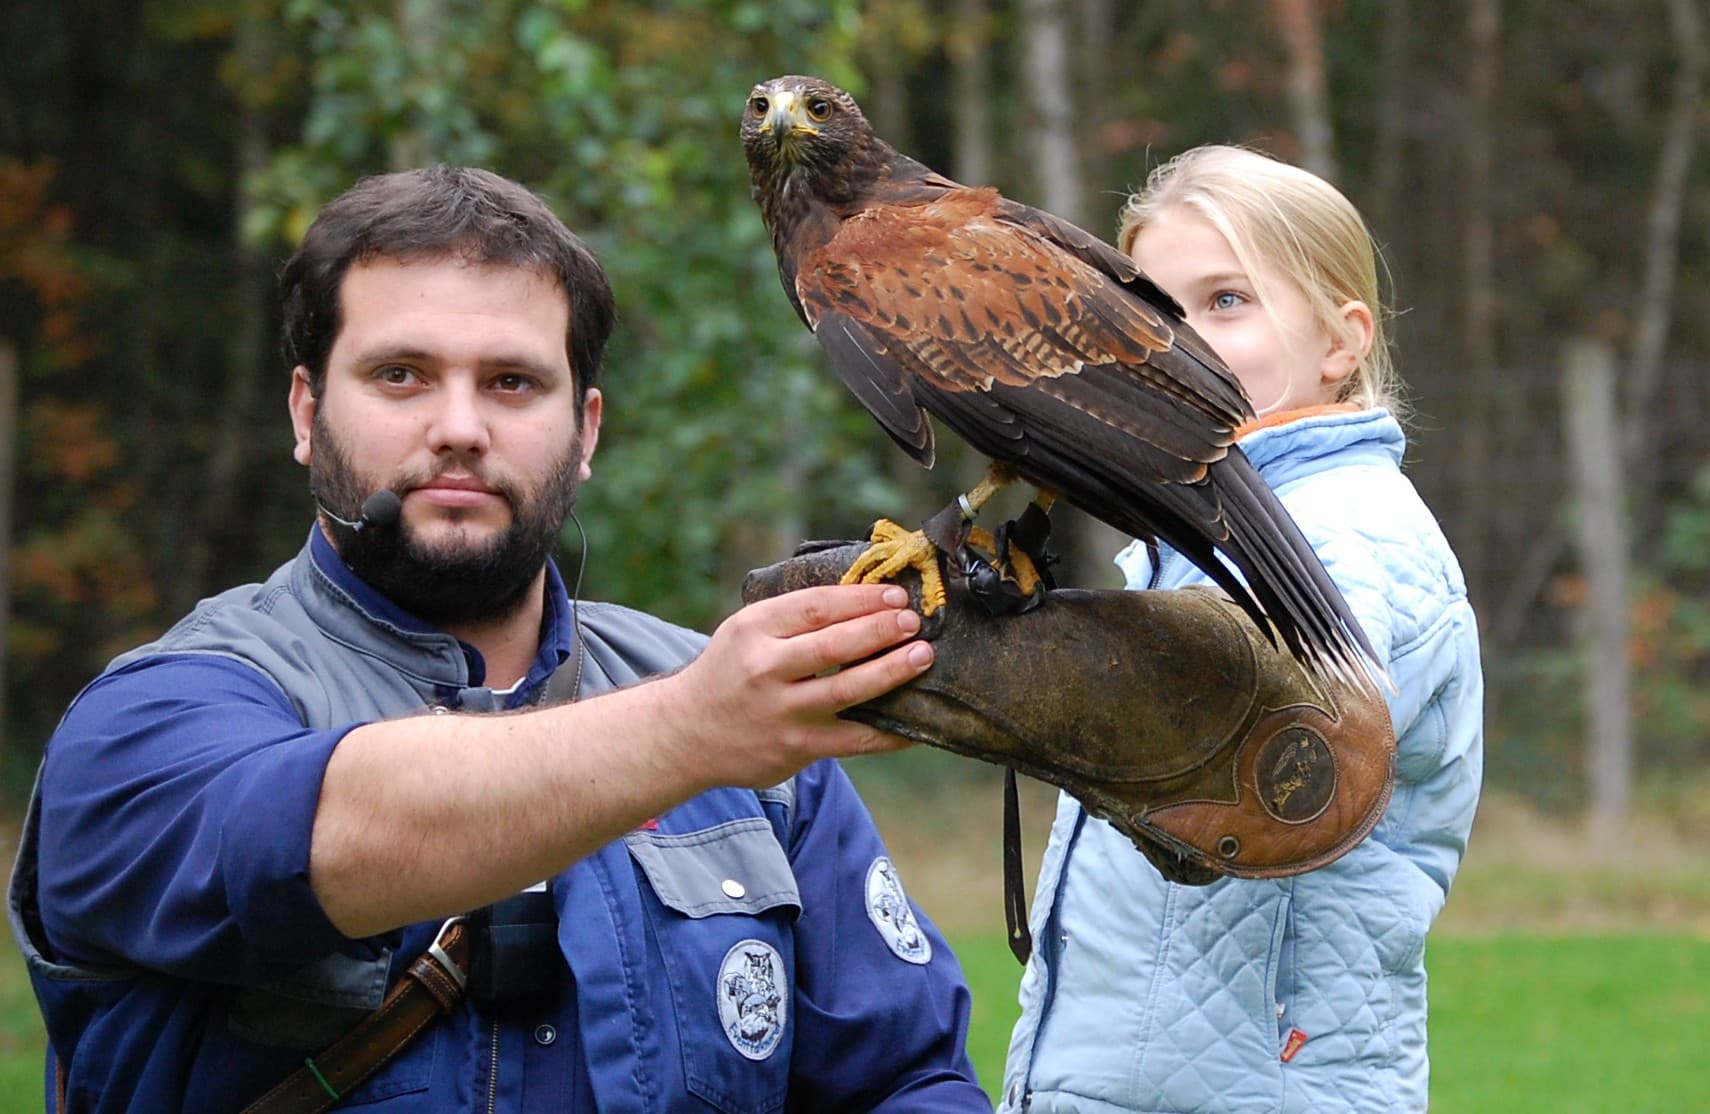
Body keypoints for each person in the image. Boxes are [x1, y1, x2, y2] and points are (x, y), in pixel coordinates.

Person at [10, 166, 994, 1113]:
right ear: (307, 413)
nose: (460, 426)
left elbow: (905, 1082)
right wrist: (691, 732)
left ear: (588, 431)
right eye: (401, 375)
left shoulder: (762, 740)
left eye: (513, 383)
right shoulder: (148, 719)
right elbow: (305, 838)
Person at [999, 146, 1484, 1112]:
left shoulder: (1348, 532)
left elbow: (1264, 740)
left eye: (1227, 302)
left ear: (1341, 344)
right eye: (1149, 314)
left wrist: (1009, 670)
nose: (1181, 343)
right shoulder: (1197, 539)